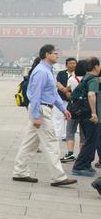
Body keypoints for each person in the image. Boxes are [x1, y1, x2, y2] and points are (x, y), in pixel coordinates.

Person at [12, 44, 77, 187]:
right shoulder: (41, 71)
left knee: (30, 143)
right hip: (41, 109)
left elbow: (52, 93)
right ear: (47, 55)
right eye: (55, 53)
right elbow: (35, 95)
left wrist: (62, 109)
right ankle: (58, 177)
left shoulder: (48, 70)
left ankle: (20, 172)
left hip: (43, 108)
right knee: (51, 143)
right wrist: (35, 115)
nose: (57, 56)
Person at [69, 58, 99, 177]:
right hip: (89, 114)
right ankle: (79, 166)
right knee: (92, 140)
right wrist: (94, 113)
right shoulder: (93, 79)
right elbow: (91, 94)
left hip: (82, 113)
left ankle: (86, 165)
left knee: (90, 139)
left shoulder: (86, 77)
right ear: (96, 66)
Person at [57, 57, 81, 162]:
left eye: (74, 63)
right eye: (70, 63)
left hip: (73, 104)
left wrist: (67, 92)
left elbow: (67, 87)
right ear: (66, 64)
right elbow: (58, 84)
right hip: (63, 100)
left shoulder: (76, 76)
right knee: (60, 119)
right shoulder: (61, 73)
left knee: (70, 126)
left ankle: (71, 152)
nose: (72, 65)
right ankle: (60, 136)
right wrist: (65, 91)